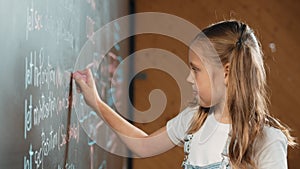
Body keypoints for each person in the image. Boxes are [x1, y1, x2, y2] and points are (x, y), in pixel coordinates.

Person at [73, 20, 296, 169]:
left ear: (226, 72)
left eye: (196, 69)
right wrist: (96, 103)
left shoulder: (266, 140)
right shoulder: (194, 121)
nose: (189, 78)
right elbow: (142, 145)